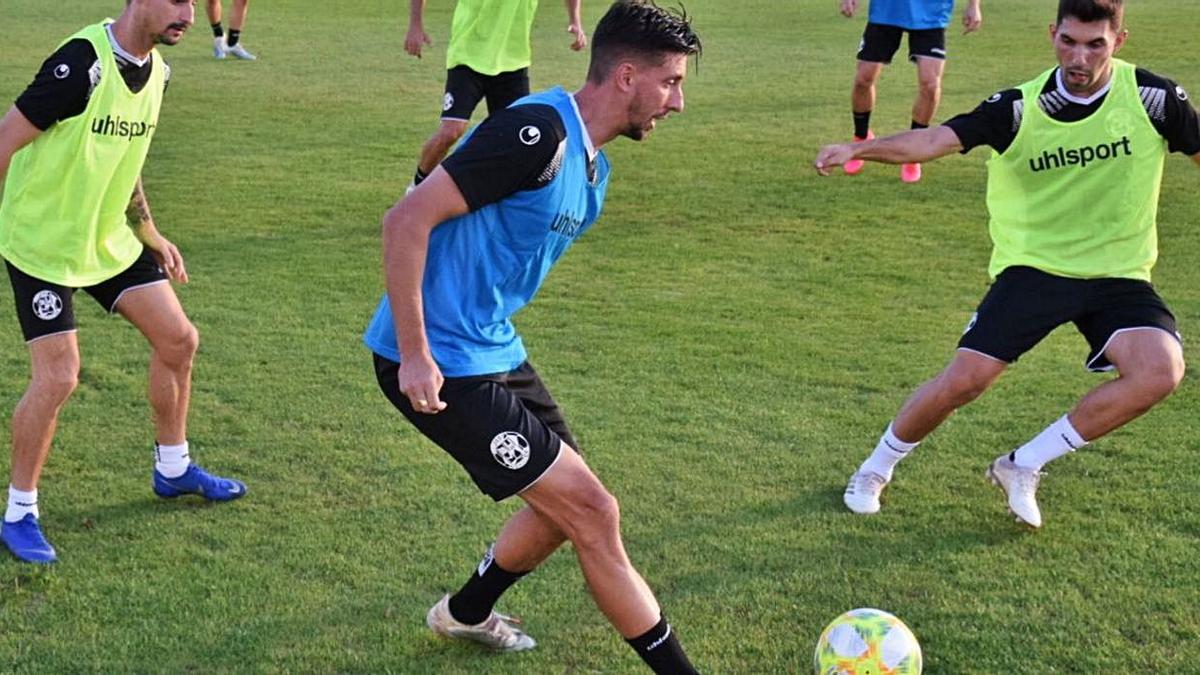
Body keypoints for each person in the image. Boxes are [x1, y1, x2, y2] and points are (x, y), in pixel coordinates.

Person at [365, 1, 701, 671]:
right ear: (628, 75)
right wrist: (417, 353)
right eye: (672, 82)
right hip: (439, 359)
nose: (678, 102)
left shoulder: (592, 166)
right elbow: (405, 219)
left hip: (492, 347)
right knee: (594, 512)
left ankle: (463, 613)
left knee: (558, 510)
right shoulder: (537, 134)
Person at [815, 0, 1199, 528]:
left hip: (1118, 273)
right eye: (1068, 40)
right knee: (965, 381)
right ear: (1052, 35)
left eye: (1095, 44)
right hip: (1035, 268)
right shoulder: (1018, 107)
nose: (1079, 57)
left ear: (1119, 41)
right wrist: (861, 147)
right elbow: (934, 140)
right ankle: (875, 468)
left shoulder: (1155, 99)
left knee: (1160, 371)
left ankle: (1023, 464)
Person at [0, 0, 247, 565]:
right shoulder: (80, 64)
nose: (187, 13)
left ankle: (174, 467)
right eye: (176, 1)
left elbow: (127, 156)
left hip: (106, 239)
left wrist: (149, 230)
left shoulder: (158, 70)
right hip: (42, 246)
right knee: (59, 376)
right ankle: (19, 511)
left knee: (179, 340)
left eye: (193, 3)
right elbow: (4, 142)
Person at [404, 0, 588, 193]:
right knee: (451, 131)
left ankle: (496, 199)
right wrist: (415, 25)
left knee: (516, 140)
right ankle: (416, 187)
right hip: (468, 55)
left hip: (513, 62)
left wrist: (575, 20)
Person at [838, 0, 982, 182]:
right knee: (863, 78)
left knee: (930, 85)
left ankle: (915, 149)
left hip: (931, 14)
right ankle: (861, 136)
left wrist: (973, 5)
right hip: (886, 10)